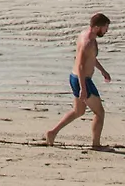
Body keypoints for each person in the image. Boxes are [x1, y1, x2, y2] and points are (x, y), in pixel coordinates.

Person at [45, 13, 112, 149]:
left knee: (78, 111)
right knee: (100, 112)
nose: (106, 31)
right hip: (83, 80)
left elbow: (90, 58)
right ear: (97, 27)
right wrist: (83, 88)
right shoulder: (87, 42)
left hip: (75, 77)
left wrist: (102, 70)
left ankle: (52, 133)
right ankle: (96, 145)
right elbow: (81, 65)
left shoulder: (87, 35)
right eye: (105, 28)